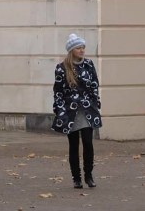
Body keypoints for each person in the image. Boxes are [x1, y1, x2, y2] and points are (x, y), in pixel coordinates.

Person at [52, 33, 103, 190]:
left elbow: (95, 84)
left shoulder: (89, 64)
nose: (82, 50)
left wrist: (96, 102)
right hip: (70, 113)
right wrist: (59, 110)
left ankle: (89, 175)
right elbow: (58, 91)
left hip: (87, 111)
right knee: (73, 145)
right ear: (71, 50)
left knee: (88, 143)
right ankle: (76, 178)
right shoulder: (62, 68)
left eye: (83, 47)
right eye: (78, 48)